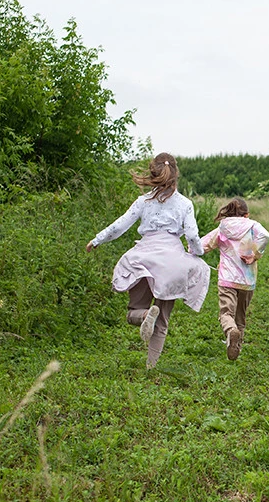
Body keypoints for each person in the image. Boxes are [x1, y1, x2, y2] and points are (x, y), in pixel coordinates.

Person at [86, 153, 210, 370]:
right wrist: (197, 254)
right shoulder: (185, 204)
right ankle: (150, 368)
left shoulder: (143, 201)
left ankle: (144, 314)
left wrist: (97, 240)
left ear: (153, 172)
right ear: (176, 174)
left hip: (144, 258)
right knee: (162, 321)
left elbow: (119, 226)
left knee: (133, 312)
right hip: (173, 262)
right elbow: (191, 235)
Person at [201, 197, 269, 362]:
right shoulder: (252, 225)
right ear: (246, 215)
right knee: (240, 315)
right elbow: (266, 235)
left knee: (226, 313)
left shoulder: (223, 227)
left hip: (227, 279)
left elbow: (205, 244)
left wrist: (191, 251)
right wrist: (255, 254)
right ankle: (236, 348)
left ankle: (230, 331)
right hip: (247, 281)